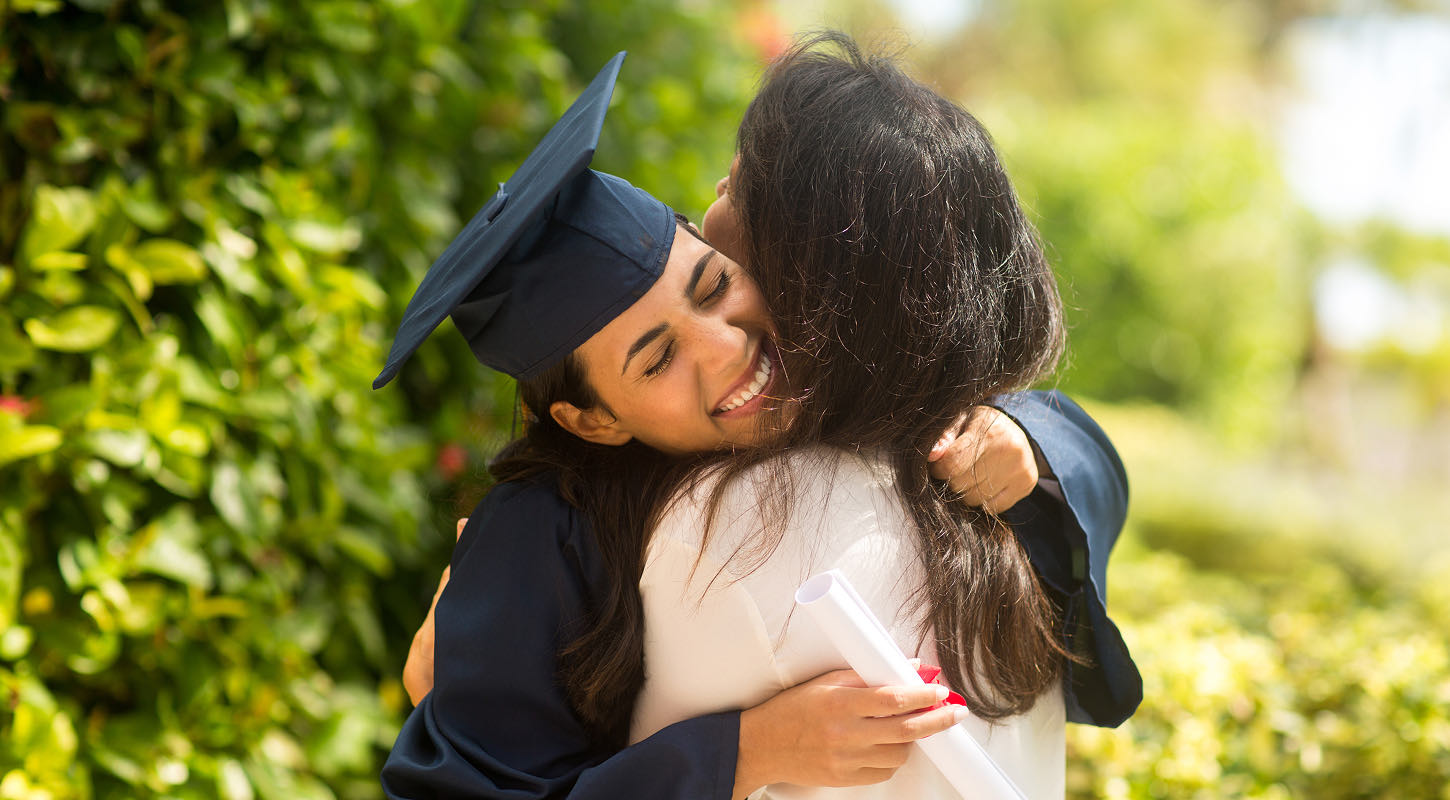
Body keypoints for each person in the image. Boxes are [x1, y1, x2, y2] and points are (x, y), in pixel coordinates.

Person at [378, 44, 1136, 800]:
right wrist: (741, 753)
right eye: (656, 360)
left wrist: (1024, 445)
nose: (727, 348)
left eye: (712, 284)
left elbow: (1070, 438)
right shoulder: (540, 531)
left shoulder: (844, 395)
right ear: (592, 420)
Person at [632, 33, 1120, 798]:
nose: (700, 214)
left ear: (807, 281)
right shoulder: (1011, 518)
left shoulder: (731, 530)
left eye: (731, 190)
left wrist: (470, 673)